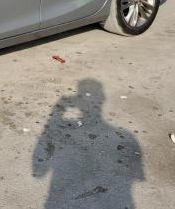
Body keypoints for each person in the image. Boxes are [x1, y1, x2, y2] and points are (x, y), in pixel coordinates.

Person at [33, 79, 144, 208]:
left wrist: (56, 114)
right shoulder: (128, 137)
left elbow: (38, 172)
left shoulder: (126, 138)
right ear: (102, 98)